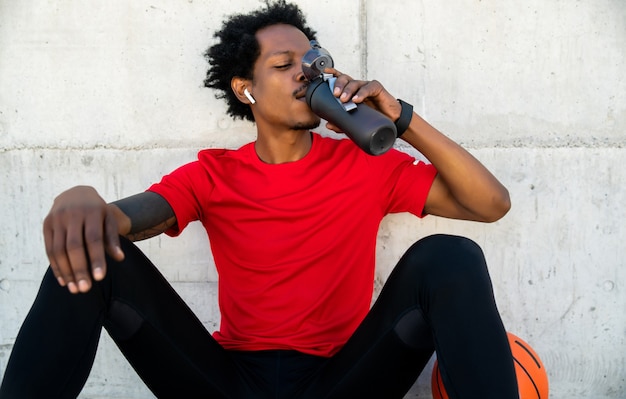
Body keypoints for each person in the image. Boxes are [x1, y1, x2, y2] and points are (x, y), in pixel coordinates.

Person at [0, 1, 519, 398]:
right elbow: (124, 220)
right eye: (285, 64)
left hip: (340, 381)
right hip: (229, 384)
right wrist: (83, 198)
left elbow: (490, 203)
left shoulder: (367, 163)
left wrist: (401, 118)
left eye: (315, 62)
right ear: (246, 89)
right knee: (89, 254)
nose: (306, 73)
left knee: (449, 255)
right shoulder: (213, 174)